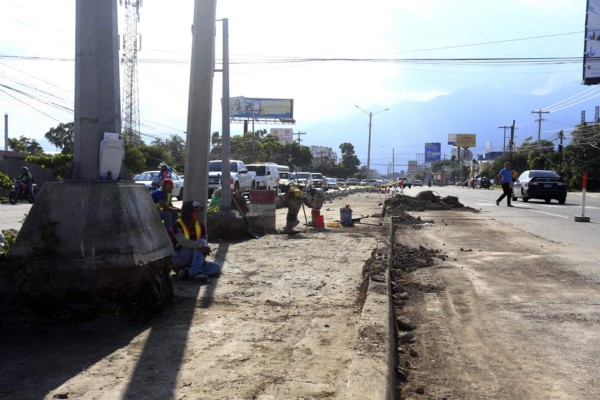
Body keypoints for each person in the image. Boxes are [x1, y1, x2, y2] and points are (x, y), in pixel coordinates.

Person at [170, 200, 221, 280]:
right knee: (201, 243)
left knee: (216, 267)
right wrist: (200, 246)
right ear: (189, 213)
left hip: (194, 259)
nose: (199, 213)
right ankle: (196, 272)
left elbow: (205, 241)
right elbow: (183, 242)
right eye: (196, 211)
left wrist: (202, 247)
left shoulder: (201, 225)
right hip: (177, 258)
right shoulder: (176, 225)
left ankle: (187, 271)